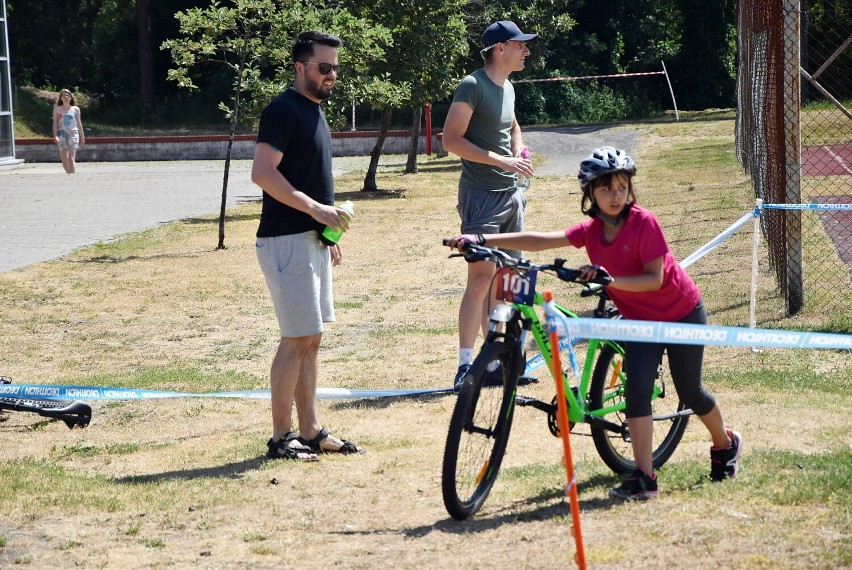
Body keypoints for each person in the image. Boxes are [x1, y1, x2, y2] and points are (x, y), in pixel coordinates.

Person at [446, 146, 743, 498]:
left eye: (621, 187)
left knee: (691, 390)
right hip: (638, 320)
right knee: (636, 393)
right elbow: (541, 240)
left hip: (680, 312)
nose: (615, 195)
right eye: (606, 189)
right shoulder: (593, 230)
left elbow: (655, 279)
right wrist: (480, 238)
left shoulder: (643, 223)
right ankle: (644, 478)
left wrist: (609, 280)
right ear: (591, 193)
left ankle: (725, 444)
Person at [250, 30, 363, 461]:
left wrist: (325, 232)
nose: (332, 74)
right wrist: (316, 211)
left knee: (311, 338)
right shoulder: (282, 110)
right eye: (324, 67)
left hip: (309, 240)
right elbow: (263, 173)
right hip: (285, 241)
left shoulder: (314, 111)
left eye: (336, 67)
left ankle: (311, 429)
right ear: (301, 68)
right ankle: (281, 438)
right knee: (295, 339)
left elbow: (308, 174)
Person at [441, 20, 538, 391]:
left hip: (512, 194)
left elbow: (513, 127)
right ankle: (465, 367)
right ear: (500, 48)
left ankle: (494, 362)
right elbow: (451, 140)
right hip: (481, 196)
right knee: (480, 279)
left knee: (505, 280)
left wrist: (519, 152)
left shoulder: (508, 86)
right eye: (520, 45)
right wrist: (501, 161)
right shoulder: (472, 85)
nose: (526, 51)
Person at [52, 88, 85, 174]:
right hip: (61, 134)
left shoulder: (75, 109)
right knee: (64, 160)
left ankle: (72, 177)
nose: (66, 97)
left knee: (71, 158)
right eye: (64, 95)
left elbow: (79, 123)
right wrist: (55, 135)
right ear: (61, 98)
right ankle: (68, 174)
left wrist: (82, 136)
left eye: (68, 95)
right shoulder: (57, 109)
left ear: (71, 97)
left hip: (73, 134)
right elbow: (55, 123)